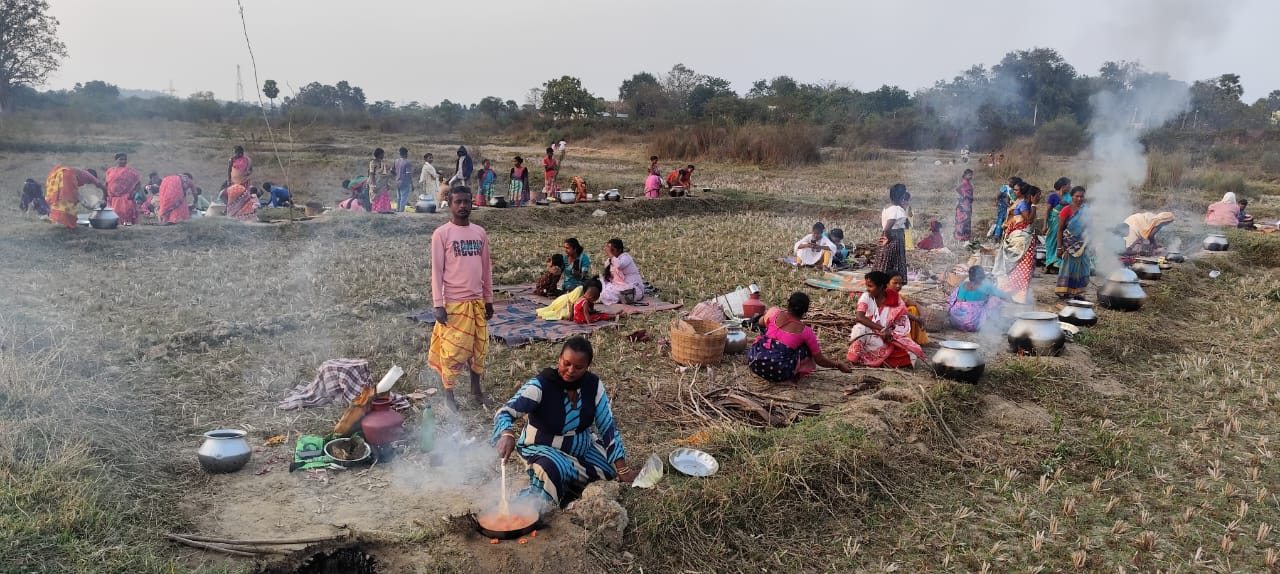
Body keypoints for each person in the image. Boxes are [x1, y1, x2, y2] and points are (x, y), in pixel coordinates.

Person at [493, 337, 634, 507]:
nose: (571, 370)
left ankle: (564, 483)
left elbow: (607, 426)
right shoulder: (540, 385)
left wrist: (622, 469)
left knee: (610, 469)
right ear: (559, 359)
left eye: (578, 367)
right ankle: (526, 503)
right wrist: (507, 434)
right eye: (566, 363)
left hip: (581, 449)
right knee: (551, 470)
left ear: (587, 366)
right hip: (543, 448)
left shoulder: (593, 386)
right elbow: (504, 412)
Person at [428, 186, 494, 411]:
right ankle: (449, 393)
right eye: (458, 202)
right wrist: (438, 304)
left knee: (479, 348)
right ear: (450, 204)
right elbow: (437, 272)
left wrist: (488, 300)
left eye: (467, 201)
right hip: (454, 303)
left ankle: (476, 390)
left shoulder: (479, 233)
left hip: (477, 302)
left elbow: (486, 270)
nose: (463, 206)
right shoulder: (442, 234)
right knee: (453, 351)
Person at [747, 292, 852, 383]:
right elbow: (819, 360)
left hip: (754, 360)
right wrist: (838, 365)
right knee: (806, 349)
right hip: (778, 372)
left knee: (767, 335)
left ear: (788, 305)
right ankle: (791, 375)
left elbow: (760, 322)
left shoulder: (775, 313)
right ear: (805, 311)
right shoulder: (806, 331)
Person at [846, 271, 925, 368]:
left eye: (870, 286)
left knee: (915, 351)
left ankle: (876, 360)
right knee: (859, 328)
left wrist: (917, 319)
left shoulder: (893, 297)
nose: (867, 289)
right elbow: (859, 317)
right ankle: (853, 359)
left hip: (886, 337)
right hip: (869, 334)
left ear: (881, 287)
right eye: (867, 286)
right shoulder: (866, 296)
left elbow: (901, 313)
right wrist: (882, 329)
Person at [993, 184, 1040, 304]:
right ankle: (1010, 293)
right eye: (1037, 196)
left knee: (1022, 269)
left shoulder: (1026, 205)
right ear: (1031, 196)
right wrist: (1034, 205)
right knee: (1022, 269)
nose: (1039, 198)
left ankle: (1015, 295)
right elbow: (1028, 220)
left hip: (1024, 240)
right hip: (1020, 240)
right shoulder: (1023, 205)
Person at [948, 266, 1012, 332]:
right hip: (973, 323)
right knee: (994, 299)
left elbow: (959, 300)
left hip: (956, 319)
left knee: (957, 293)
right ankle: (994, 322)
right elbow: (1004, 296)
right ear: (982, 276)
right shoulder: (987, 286)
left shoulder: (963, 284)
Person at [1055, 186, 1092, 299]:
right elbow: (1060, 229)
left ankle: (1078, 292)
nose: (1079, 199)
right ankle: (1064, 291)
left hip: (1083, 244)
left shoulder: (1087, 211)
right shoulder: (1066, 210)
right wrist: (1059, 247)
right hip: (1069, 245)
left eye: (1082, 196)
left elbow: (1090, 228)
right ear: (1072, 197)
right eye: (1077, 196)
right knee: (1068, 268)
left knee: (1083, 268)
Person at [872, 184, 910, 283]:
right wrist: (889, 238)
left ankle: (885, 282)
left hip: (892, 236)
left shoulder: (891, 208)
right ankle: (889, 282)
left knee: (886, 259)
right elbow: (888, 227)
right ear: (902, 196)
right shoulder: (895, 210)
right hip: (894, 237)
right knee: (891, 260)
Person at [600, 238, 645, 305]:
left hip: (633, 288)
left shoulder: (626, 257)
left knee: (608, 294)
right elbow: (608, 275)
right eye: (609, 250)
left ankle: (604, 298)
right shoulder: (610, 260)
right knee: (600, 284)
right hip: (618, 285)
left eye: (612, 250)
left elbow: (619, 265)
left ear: (619, 250)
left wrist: (610, 254)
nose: (610, 252)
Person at [889, 274, 930, 346]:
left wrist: (922, 317)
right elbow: (900, 310)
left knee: (913, 308)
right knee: (903, 316)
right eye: (895, 283)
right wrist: (917, 319)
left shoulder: (898, 296)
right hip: (886, 325)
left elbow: (917, 304)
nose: (898, 286)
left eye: (900, 283)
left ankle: (916, 339)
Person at [1042, 177, 1072, 274]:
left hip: (1065, 221)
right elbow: (1047, 211)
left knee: (1062, 241)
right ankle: (1049, 264)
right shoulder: (1053, 196)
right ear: (1063, 186)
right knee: (1051, 242)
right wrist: (1044, 225)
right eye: (1069, 185)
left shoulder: (1069, 197)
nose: (1070, 187)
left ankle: (1057, 265)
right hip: (1053, 221)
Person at [105, 153, 142, 226]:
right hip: (113, 199)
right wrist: (105, 194)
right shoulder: (110, 171)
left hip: (126, 198)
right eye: (121, 159)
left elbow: (138, 183)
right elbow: (107, 184)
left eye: (125, 159)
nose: (123, 161)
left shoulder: (131, 171)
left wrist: (135, 193)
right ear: (116, 160)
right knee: (114, 217)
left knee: (125, 216)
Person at [368, 148, 394, 213]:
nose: (383, 155)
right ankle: (377, 209)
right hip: (376, 182)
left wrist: (387, 184)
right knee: (376, 196)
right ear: (379, 154)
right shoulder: (373, 162)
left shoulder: (382, 163)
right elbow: (371, 174)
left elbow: (384, 174)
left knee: (384, 195)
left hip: (382, 183)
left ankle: (385, 209)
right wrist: (373, 185)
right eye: (382, 154)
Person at [953, 168, 975, 241]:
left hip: (968, 205)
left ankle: (966, 237)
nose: (970, 176)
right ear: (965, 175)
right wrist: (964, 195)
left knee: (967, 220)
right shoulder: (964, 182)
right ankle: (960, 237)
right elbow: (957, 189)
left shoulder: (969, 183)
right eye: (969, 175)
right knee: (962, 221)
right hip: (963, 206)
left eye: (971, 175)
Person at [393, 147, 414, 212]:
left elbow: (392, 170)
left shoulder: (396, 161)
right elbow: (408, 174)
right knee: (403, 197)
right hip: (405, 182)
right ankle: (401, 210)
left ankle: (398, 209)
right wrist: (412, 184)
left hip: (397, 181)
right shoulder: (407, 163)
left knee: (398, 197)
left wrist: (397, 175)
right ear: (406, 153)